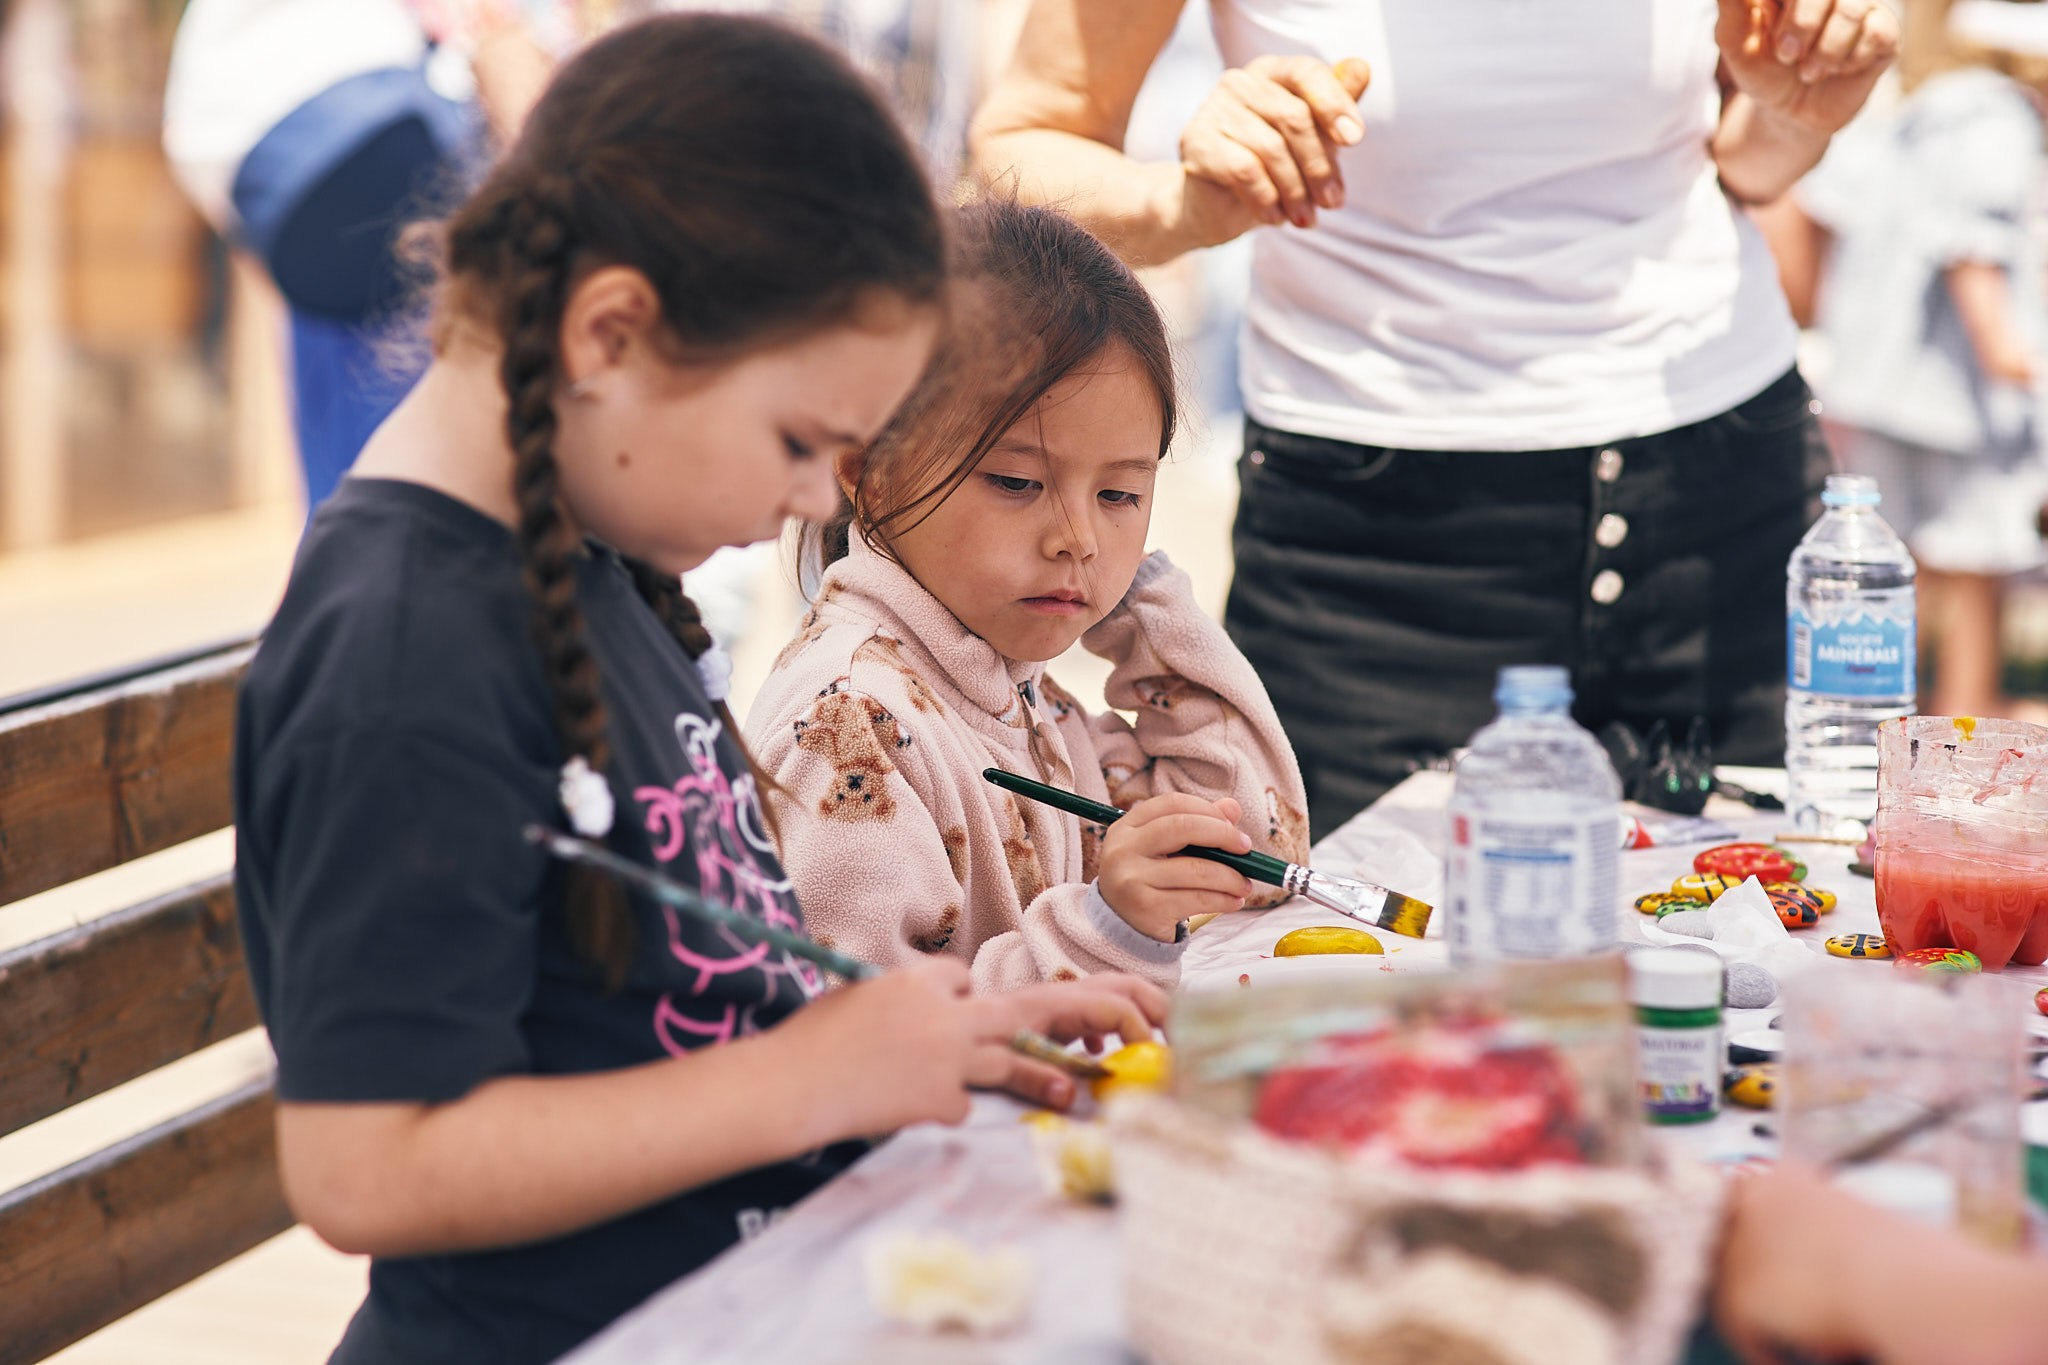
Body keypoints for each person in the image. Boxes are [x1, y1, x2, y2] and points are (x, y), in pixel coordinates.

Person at [231, 18, 1166, 1363]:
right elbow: (365, 1169)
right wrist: (804, 1083)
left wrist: (945, 1034)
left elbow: (677, 997)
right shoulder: (402, 653)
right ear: (610, 331)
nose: (817, 495)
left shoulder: (589, 557)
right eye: (799, 439)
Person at [971, 0, 1900, 836]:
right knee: (1355, 960)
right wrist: (1184, 202)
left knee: (1786, 936)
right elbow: (1021, 148)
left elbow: (1738, 162)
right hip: (1375, 549)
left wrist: (1794, 113)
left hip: (1724, 500)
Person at [747, 199, 1310, 992]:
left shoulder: (1023, 696)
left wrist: (1141, 603)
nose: (1077, 537)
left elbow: (1256, 849)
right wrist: (1102, 933)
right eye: (1016, 482)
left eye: (1119, 495)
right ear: (869, 472)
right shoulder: (850, 722)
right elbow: (851, 1031)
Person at [1796, 0, 2048, 720]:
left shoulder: (1922, 108)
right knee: (1975, 568)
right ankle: (1964, 735)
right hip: (1957, 391)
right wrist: (2015, 358)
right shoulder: (1994, 116)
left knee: (1902, 565)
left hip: (1882, 379)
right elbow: (1973, 250)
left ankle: (1894, 725)